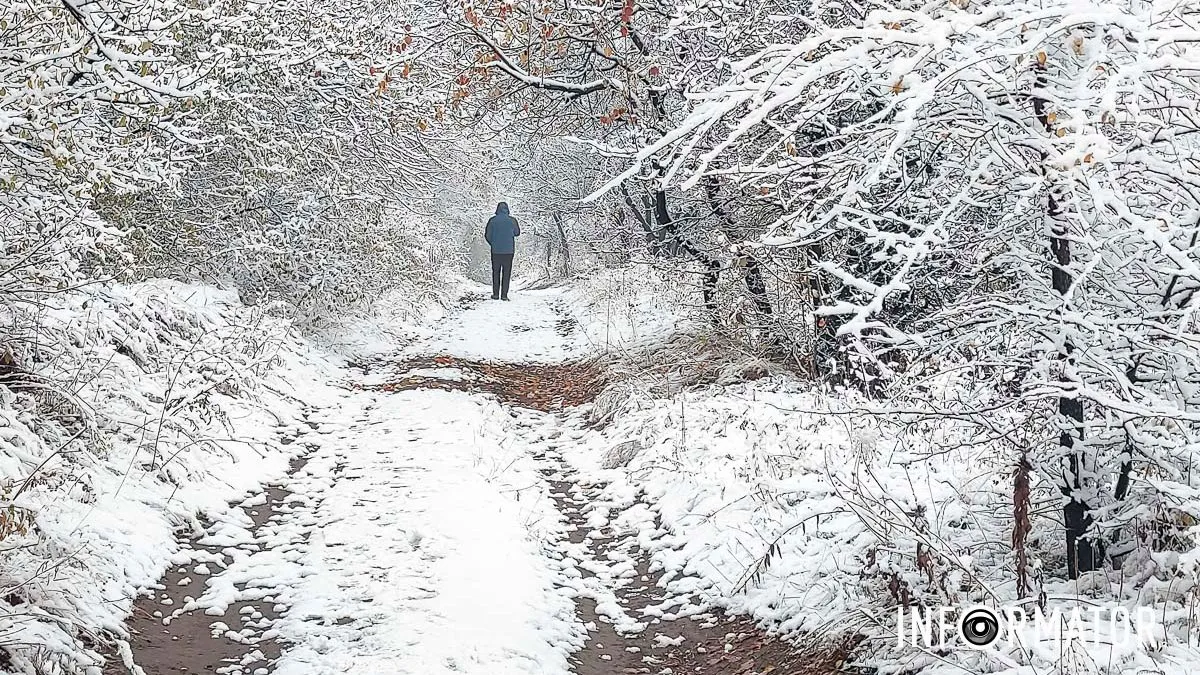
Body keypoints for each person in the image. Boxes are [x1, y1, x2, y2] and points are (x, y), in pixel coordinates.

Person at [484, 201, 520, 300]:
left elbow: (487, 235)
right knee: (506, 272)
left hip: (496, 251)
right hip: (509, 251)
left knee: (496, 272)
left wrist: (493, 243)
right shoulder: (512, 220)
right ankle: (504, 295)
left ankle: (495, 294)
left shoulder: (492, 220)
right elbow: (517, 233)